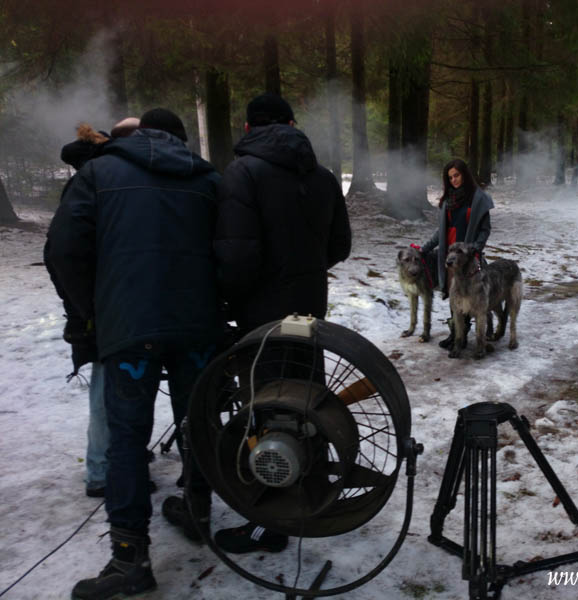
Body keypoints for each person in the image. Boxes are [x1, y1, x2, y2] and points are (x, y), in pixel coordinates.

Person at [46, 108, 223, 600]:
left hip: (128, 326)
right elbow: (231, 250)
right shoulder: (206, 178)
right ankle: (197, 509)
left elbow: (62, 249)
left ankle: (129, 559)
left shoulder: (99, 172)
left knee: (127, 440)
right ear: (178, 139)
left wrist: (94, 310)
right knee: (199, 423)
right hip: (197, 326)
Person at [197, 92, 351, 554]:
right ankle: (311, 490)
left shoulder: (242, 173)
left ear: (248, 129)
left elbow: (237, 255)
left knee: (262, 408)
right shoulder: (322, 177)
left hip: (261, 317)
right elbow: (339, 246)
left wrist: (234, 297)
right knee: (309, 402)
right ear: (291, 123)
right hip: (310, 308)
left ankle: (270, 517)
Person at [45, 118, 152, 499]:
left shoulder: (100, 177)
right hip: (105, 307)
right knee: (109, 390)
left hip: (113, 303)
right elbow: (63, 251)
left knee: (119, 389)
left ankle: (118, 461)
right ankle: (102, 471)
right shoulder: (96, 181)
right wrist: (89, 307)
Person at [421, 158, 493, 349]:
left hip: (468, 258)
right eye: (450, 177)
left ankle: (473, 332)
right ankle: (456, 334)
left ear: (465, 175)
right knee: (455, 297)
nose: (453, 180)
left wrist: (476, 248)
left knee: (472, 295)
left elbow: (485, 229)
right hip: (450, 257)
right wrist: (425, 248)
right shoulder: (448, 201)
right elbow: (441, 231)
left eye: (457, 175)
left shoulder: (478, 200)